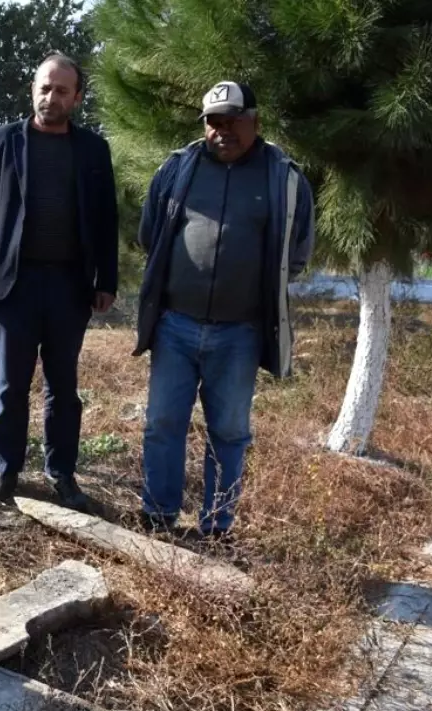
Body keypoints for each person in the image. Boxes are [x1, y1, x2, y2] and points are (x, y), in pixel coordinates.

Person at [134, 81, 314, 541]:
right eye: (214, 121)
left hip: (239, 333)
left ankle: (216, 527)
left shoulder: (284, 178)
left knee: (229, 432)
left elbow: (294, 255)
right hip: (175, 326)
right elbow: (151, 236)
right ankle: (158, 518)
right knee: (162, 424)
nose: (222, 131)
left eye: (233, 121)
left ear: (255, 121)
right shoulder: (179, 168)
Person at [0, 53, 119, 511]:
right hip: (14, 286)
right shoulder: (1, 142)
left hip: (70, 288)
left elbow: (107, 220)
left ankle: (61, 473)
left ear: (77, 97)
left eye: (62, 90)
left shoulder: (93, 150)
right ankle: (5, 469)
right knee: (11, 386)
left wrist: (106, 279)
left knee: (63, 388)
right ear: (33, 91)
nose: (52, 97)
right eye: (45, 88)